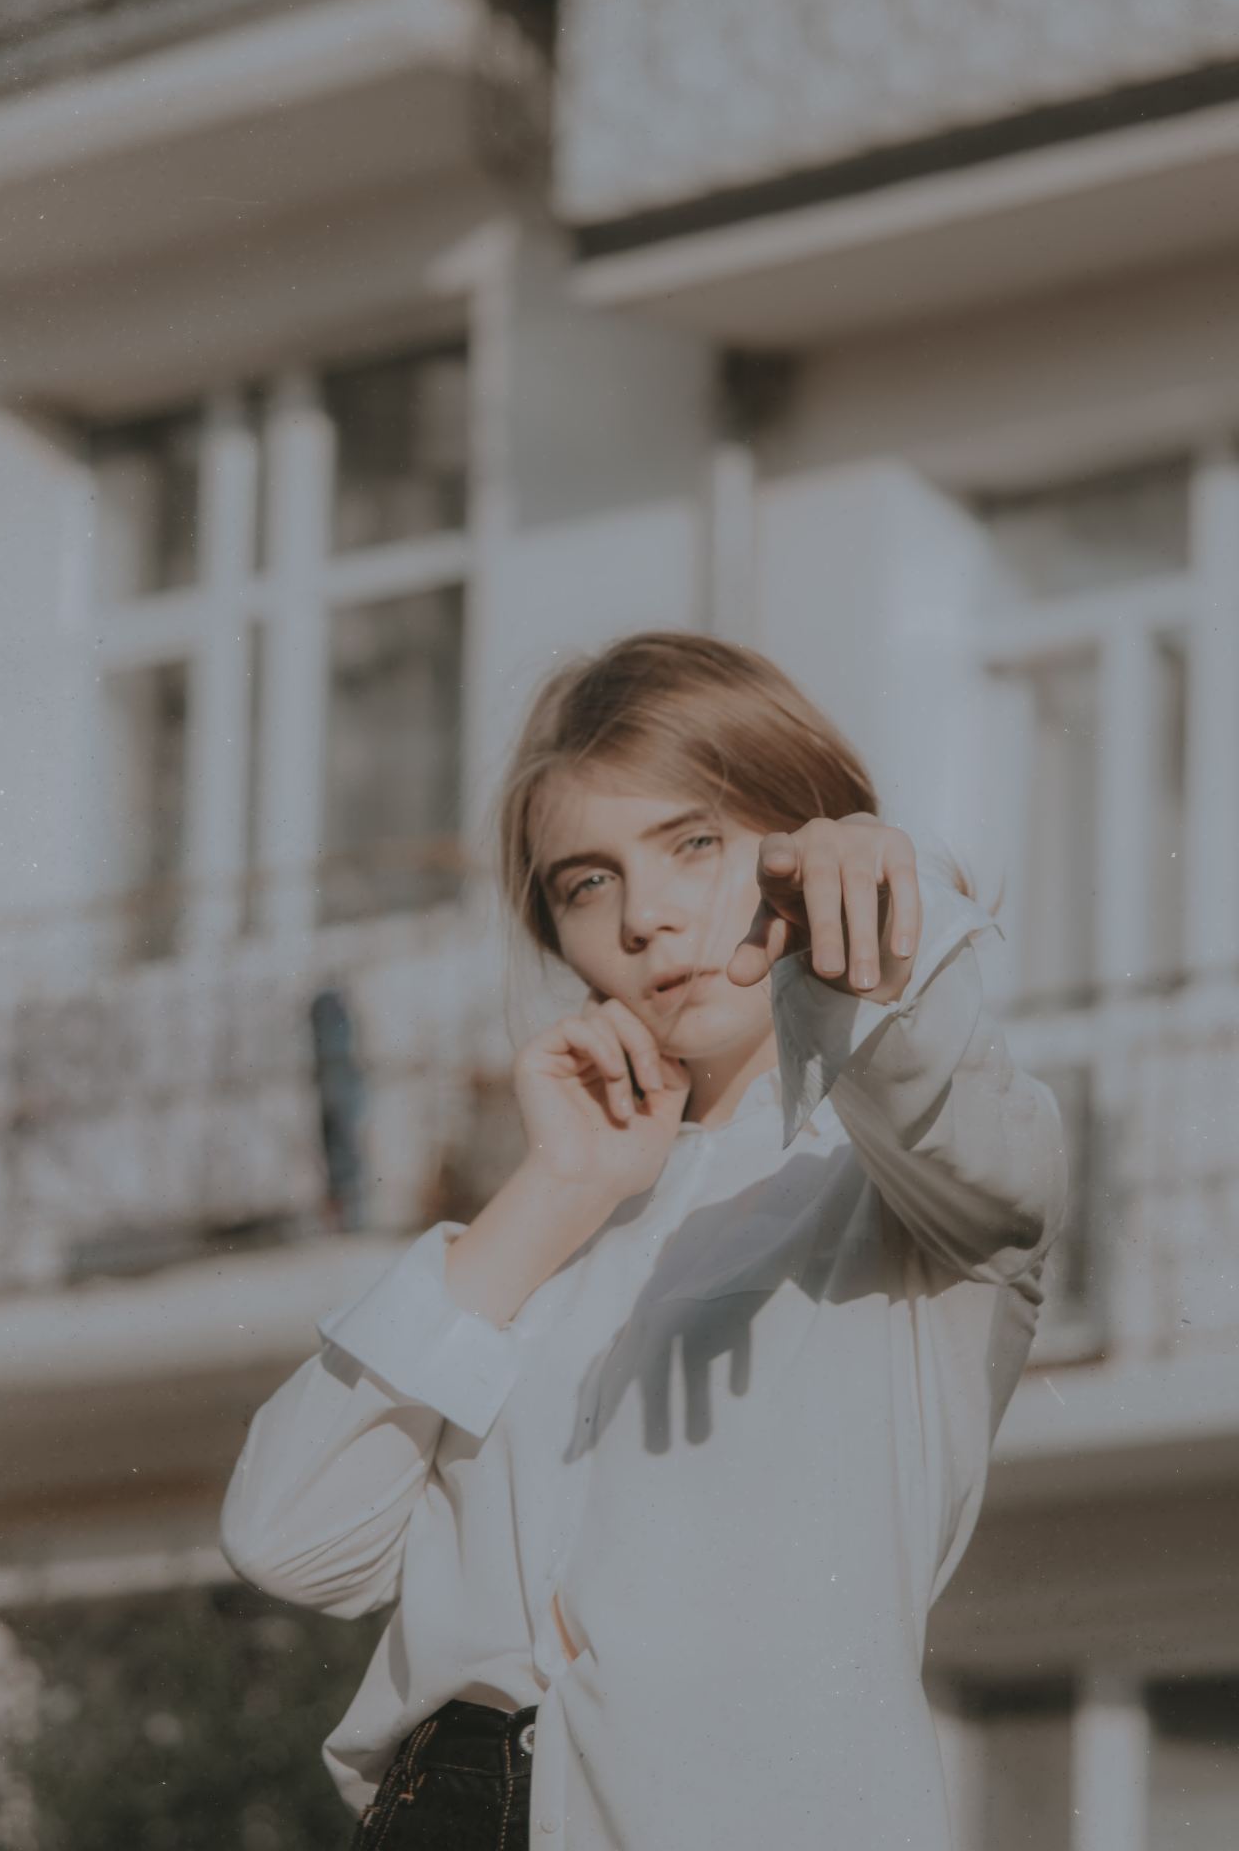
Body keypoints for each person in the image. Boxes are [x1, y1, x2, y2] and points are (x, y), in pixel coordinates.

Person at [220, 630, 1068, 1851]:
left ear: (806, 846)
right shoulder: (552, 1231)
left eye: (695, 843)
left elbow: (945, 1103)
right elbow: (287, 1537)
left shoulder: (905, 1195)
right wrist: (554, 1194)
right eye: (586, 882)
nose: (648, 918)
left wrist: (869, 943)